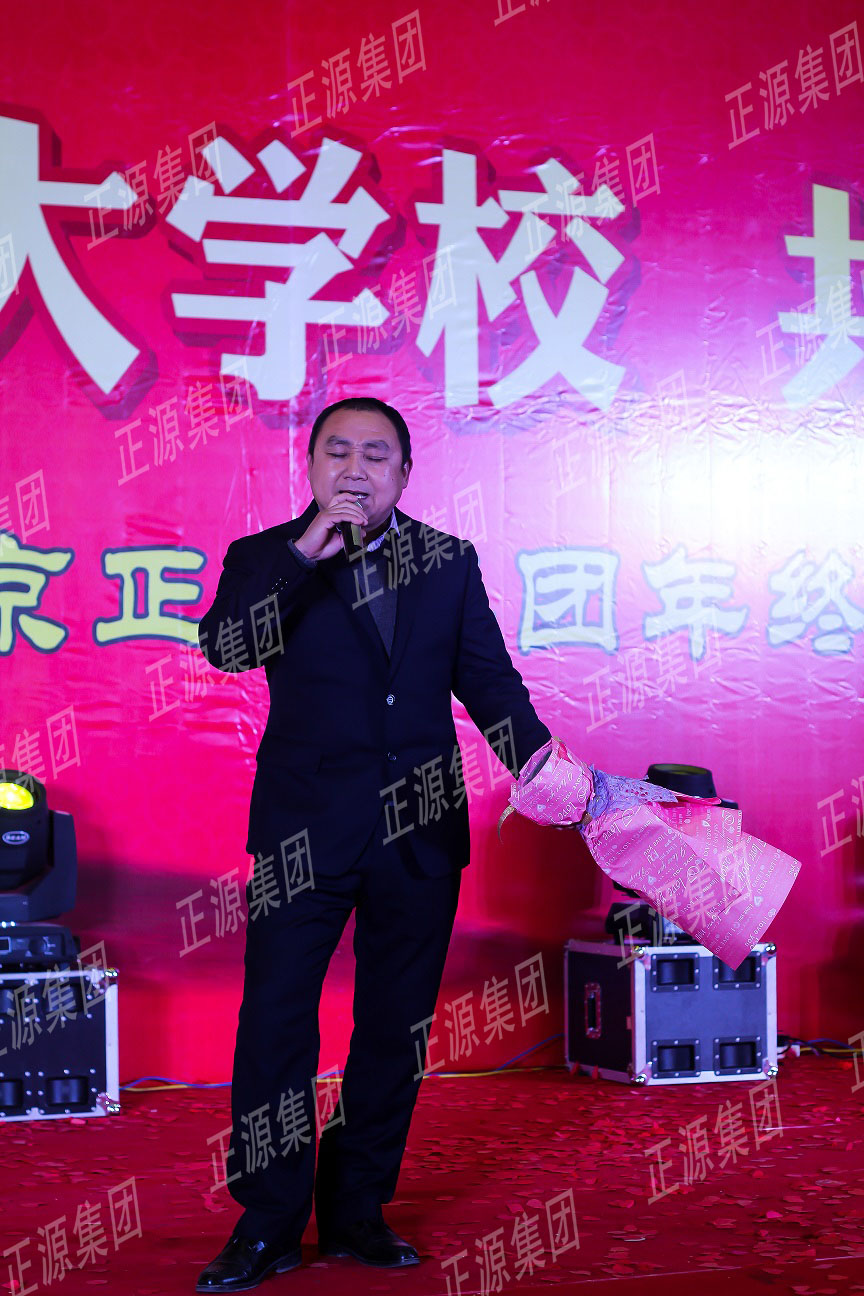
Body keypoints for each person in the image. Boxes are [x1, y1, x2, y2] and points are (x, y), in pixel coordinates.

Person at [194, 397, 551, 1292]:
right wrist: (304, 555)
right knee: (275, 1024)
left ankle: (357, 1208)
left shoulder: (448, 561)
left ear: (404, 473)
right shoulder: (264, 557)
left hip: (419, 830)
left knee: (395, 1029)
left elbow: (489, 684)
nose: (356, 469)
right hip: (303, 834)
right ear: (311, 466)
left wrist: (550, 771)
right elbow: (228, 648)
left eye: (376, 454)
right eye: (339, 452)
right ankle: (269, 1223)